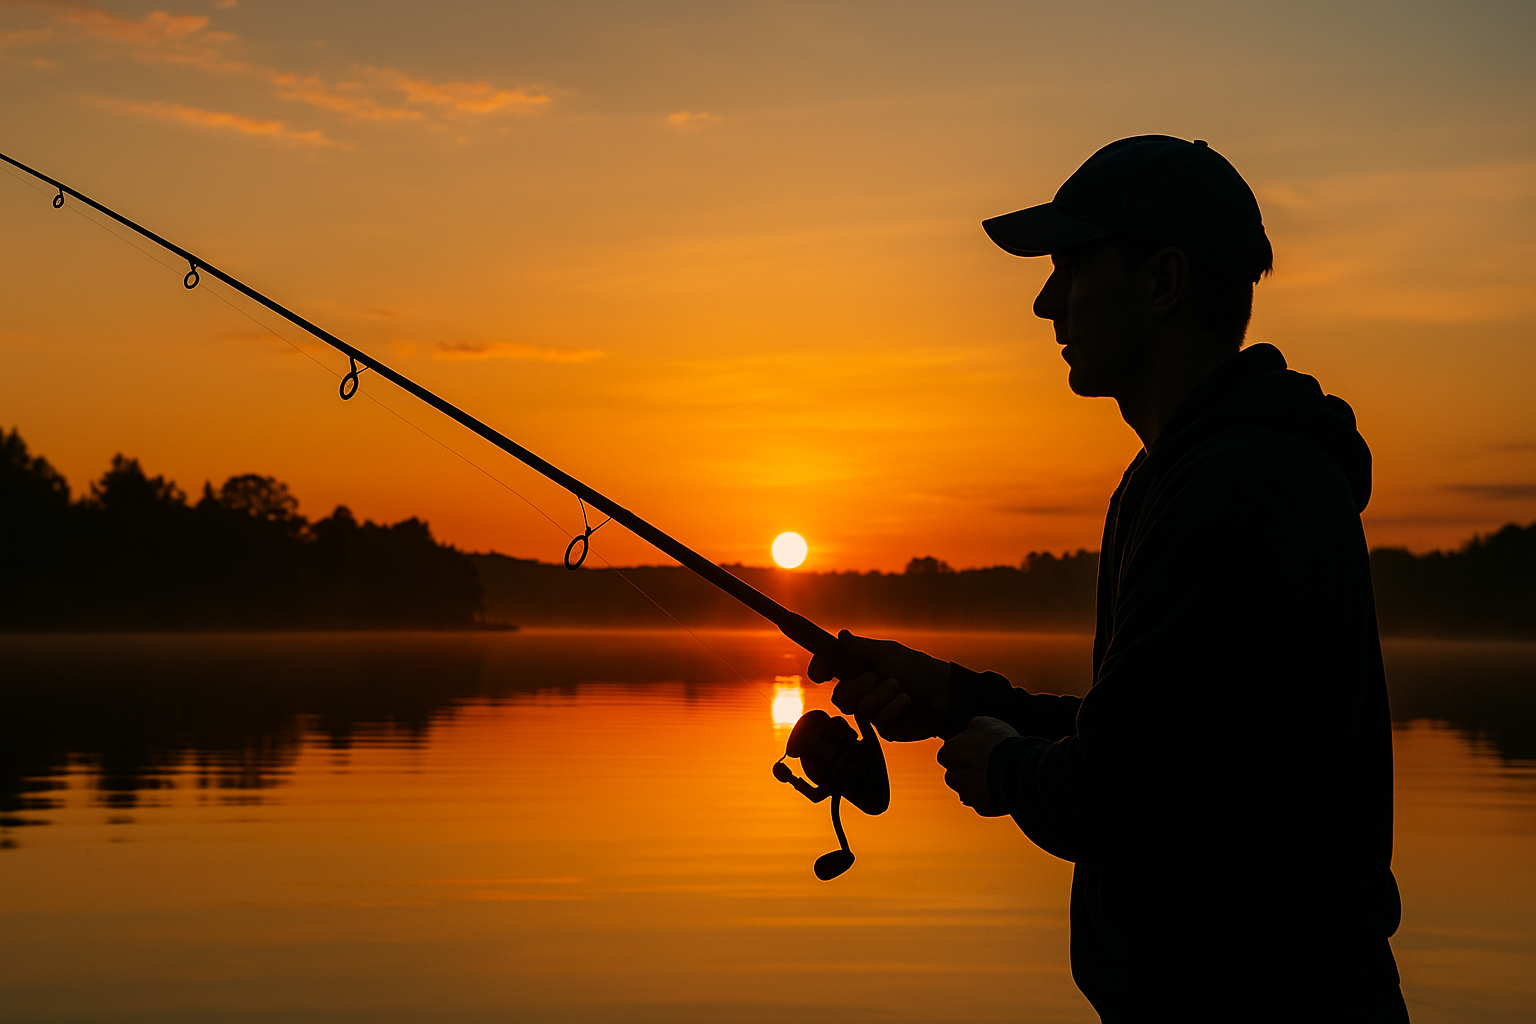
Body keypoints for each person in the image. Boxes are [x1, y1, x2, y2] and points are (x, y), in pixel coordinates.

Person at [807, 136, 1409, 1021]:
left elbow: (1122, 797)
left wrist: (1002, 767)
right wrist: (952, 697)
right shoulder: (1177, 477)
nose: (1047, 304)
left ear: (1162, 282)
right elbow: (1149, 741)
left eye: (1071, 269)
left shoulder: (1237, 488)